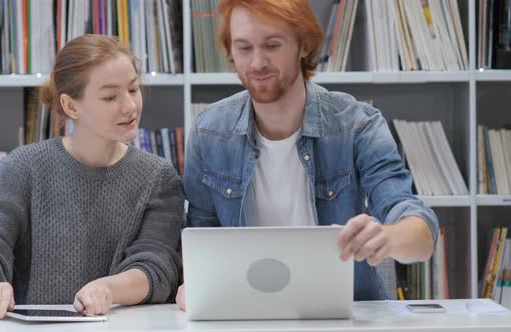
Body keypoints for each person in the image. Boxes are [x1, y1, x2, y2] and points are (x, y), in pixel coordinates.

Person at [176, 0, 438, 309]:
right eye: (244, 48)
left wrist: (388, 237)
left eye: (272, 45)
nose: (257, 62)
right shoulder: (209, 133)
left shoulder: (357, 125)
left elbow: (420, 233)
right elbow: (200, 241)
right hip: (244, 314)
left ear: (303, 44)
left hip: (344, 315)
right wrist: (193, 284)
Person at [0, 34, 184, 319]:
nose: (130, 106)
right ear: (71, 106)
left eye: (133, 89)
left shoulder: (158, 177)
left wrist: (108, 289)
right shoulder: (25, 167)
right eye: (110, 97)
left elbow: (158, 267)